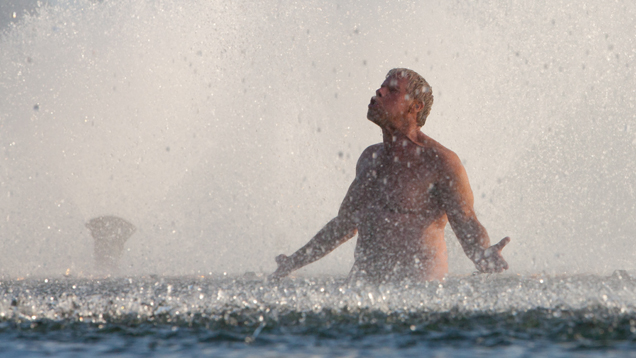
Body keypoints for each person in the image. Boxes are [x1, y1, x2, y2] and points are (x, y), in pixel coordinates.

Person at [270, 68, 510, 283]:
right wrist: (294, 262)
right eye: (381, 87)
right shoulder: (369, 159)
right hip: (363, 296)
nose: (379, 91)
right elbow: (344, 224)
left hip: (420, 298)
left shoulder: (440, 161)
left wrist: (482, 254)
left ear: (416, 107)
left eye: (392, 90)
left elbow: (466, 220)